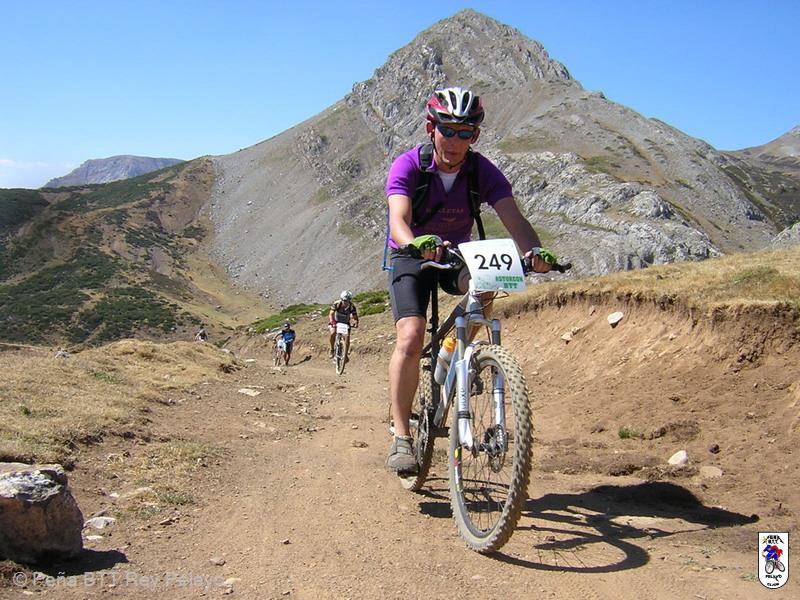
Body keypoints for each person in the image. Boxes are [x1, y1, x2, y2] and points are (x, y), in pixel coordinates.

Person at [384, 86, 556, 473]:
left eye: (466, 133)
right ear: (431, 129)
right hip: (411, 254)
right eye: (448, 130)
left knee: (489, 281)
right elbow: (398, 219)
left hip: (454, 254)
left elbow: (514, 219)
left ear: (475, 136)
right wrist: (415, 244)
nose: (455, 141)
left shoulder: (482, 171)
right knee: (410, 336)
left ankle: (452, 351)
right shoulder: (408, 165)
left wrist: (535, 252)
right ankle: (401, 435)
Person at [328, 291, 359, 358]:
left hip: (345, 323)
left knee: (347, 337)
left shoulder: (352, 306)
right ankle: (332, 349)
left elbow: (355, 316)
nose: (346, 302)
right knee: (333, 333)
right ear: (341, 299)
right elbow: (331, 314)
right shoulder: (337, 303)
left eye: (347, 300)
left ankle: (345, 355)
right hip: (336, 321)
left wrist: (356, 322)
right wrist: (332, 322)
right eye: (344, 300)